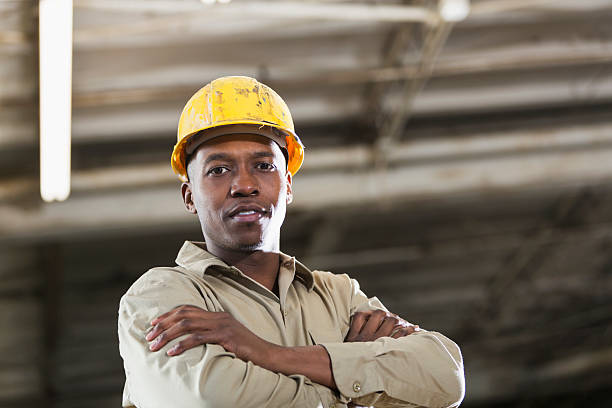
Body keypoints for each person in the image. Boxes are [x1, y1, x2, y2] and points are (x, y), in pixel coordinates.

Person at [118, 76, 465, 408]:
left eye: (263, 165)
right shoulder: (162, 297)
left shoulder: (336, 295)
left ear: (288, 186)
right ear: (190, 196)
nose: (244, 184)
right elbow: (211, 400)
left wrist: (268, 353)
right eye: (218, 170)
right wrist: (355, 391)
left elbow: (445, 378)